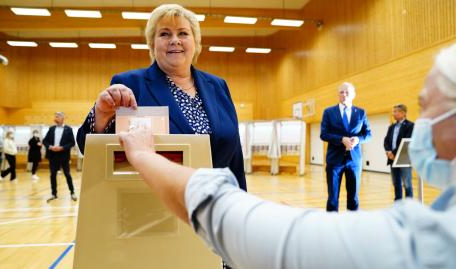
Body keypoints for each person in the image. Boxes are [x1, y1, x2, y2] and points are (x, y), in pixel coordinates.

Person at [117, 44, 456, 269]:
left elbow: (229, 220)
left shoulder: (431, 240)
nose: (419, 120)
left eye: (425, 106)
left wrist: (144, 155)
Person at [76, 4, 246, 192]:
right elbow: (91, 149)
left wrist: (240, 202)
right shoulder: (130, 84)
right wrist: (101, 114)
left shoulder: (218, 86)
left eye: (183, 33)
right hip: (153, 203)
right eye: (164, 34)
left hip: (214, 205)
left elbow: (235, 156)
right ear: (152, 44)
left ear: (196, 43)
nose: (175, 40)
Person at [320, 82, 372, 211]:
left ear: (353, 95)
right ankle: (331, 224)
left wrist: (358, 139)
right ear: (338, 94)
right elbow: (324, 134)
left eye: (347, 92)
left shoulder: (361, 112)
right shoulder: (329, 112)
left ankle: (352, 224)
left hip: (354, 161)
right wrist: (340, 139)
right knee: (332, 197)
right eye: (341, 92)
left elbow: (368, 134)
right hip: (334, 160)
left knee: (353, 197)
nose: (344, 94)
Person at [43, 112, 77, 202]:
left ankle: (72, 192)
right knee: (53, 175)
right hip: (53, 155)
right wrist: (50, 147)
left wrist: (62, 148)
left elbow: (72, 142)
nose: (55, 118)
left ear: (62, 118)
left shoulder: (68, 129)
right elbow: (45, 141)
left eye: (57, 116)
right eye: (55, 116)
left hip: (64, 155)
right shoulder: (51, 129)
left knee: (67, 174)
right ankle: (54, 194)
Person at [384, 104, 414, 200]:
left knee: (407, 184)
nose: (393, 113)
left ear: (403, 113)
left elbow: (406, 140)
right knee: (396, 183)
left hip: (403, 158)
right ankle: (398, 204)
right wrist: (388, 151)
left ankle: (409, 205)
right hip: (392, 158)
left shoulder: (410, 125)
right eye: (393, 111)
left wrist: (394, 153)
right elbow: (386, 140)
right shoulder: (391, 127)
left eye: (396, 111)